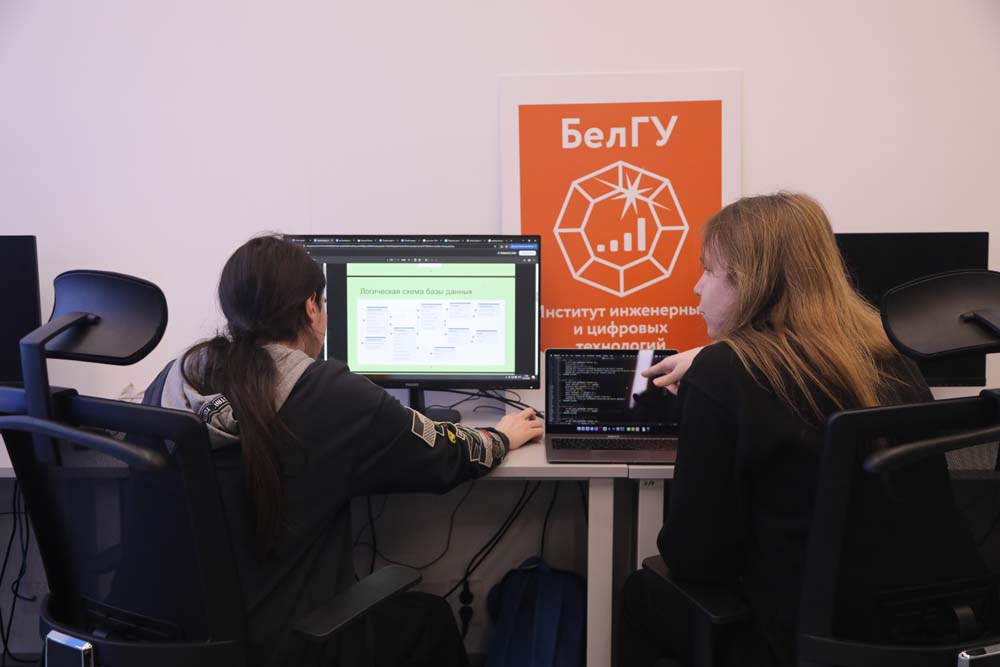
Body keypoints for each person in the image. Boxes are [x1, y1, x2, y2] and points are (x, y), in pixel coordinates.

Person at [141, 235, 543, 667]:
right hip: (283, 646)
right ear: (311, 308)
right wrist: (502, 436)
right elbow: (448, 454)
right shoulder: (330, 393)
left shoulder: (176, 378)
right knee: (429, 618)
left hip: (162, 638)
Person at [617, 192, 936, 666]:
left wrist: (711, 375)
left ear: (748, 281)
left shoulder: (724, 374)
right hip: (916, 627)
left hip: (785, 636)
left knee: (640, 593)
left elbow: (693, 556)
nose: (697, 288)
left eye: (709, 270)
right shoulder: (895, 358)